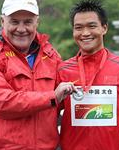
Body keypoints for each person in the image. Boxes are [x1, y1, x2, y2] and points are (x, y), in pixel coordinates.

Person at [57, 0, 119, 150]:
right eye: (78, 28)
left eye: (92, 26)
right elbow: (48, 117)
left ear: (104, 28)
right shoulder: (62, 70)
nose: (85, 33)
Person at [0, 0, 75, 149]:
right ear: (3, 21)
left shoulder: (52, 56)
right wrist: (53, 97)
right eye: (15, 22)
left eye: (28, 22)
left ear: (37, 23)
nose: (21, 29)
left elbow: (68, 100)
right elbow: (4, 101)